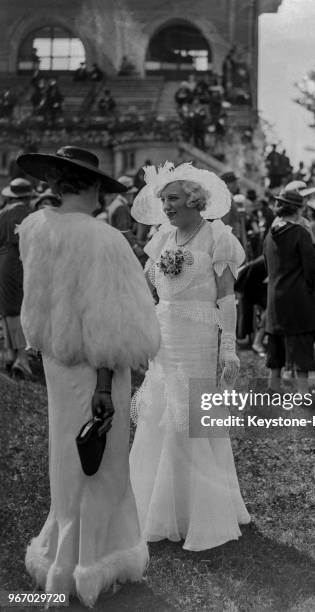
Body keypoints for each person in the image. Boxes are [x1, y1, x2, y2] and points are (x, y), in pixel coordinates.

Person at [16, 146, 161, 606]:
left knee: (68, 456)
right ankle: (90, 564)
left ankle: (62, 560)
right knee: (100, 462)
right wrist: (104, 386)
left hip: (57, 364)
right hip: (95, 369)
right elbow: (113, 325)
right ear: (92, 186)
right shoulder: (105, 240)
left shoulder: (34, 229)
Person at [130, 161, 250, 551]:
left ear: (196, 199)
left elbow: (227, 297)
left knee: (193, 418)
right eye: (163, 200)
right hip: (165, 337)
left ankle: (202, 509)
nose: (166, 206)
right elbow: (154, 292)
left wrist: (228, 348)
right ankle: (155, 505)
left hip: (199, 337)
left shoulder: (218, 236)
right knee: (159, 413)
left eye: (174, 198)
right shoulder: (162, 238)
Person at [263, 184, 315, 394]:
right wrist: (311, 290)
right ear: (299, 210)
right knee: (301, 344)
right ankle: (303, 392)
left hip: (275, 294)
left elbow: (267, 265)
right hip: (297, 296)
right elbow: (310, 267)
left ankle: (273, 385)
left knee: (275, 342)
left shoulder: (270, 234)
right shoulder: (301, 233)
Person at [0, 178, 34, 377]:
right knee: (21, 310)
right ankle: (22, 357)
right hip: (21, 263)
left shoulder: (2, 214)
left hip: (3, 263)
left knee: (8, 310)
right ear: (29, 196)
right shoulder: (30, 215)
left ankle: (11, 354)